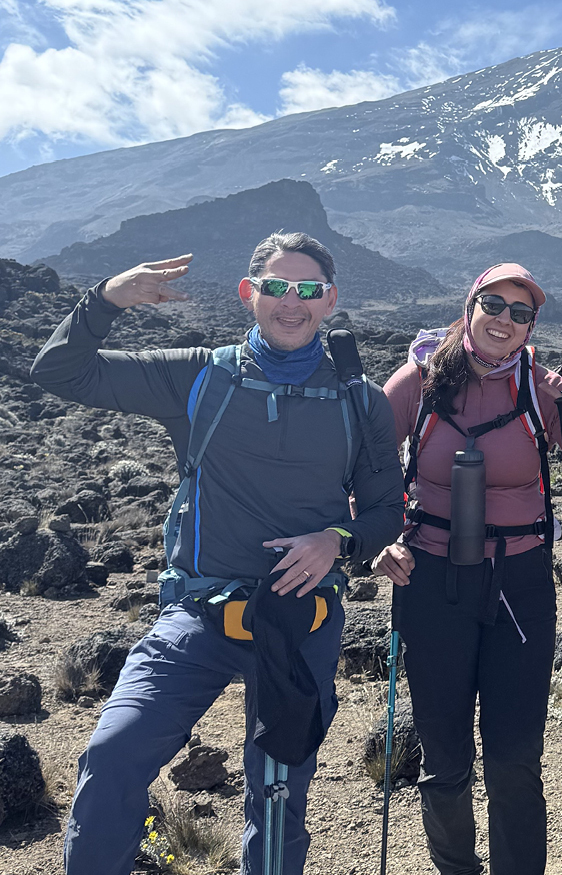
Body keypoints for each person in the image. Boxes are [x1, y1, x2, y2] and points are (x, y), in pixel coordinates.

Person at [30, 234, 405, 875]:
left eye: (309, 290)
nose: (292, 303)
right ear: (248, 293)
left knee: (278, 792)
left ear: (331, 301)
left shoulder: (359, 400)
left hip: (300, 620)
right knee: (114, 755)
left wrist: (334, 543)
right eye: (276, 287)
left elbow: (384, 513)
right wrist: (108, 299)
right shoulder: (200, 375)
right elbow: (60, 370)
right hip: (198, 611)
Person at [372, 263, 562, 875]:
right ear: (470, 307)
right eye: (494, 304)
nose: (504, 320)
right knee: (444, 757)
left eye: (521, 313)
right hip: (431, 579)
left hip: (519, 583)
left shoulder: (543, 390)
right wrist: (378, 540)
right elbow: (362, 467)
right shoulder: (421, 380)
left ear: (530, 327)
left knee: (515, 758)